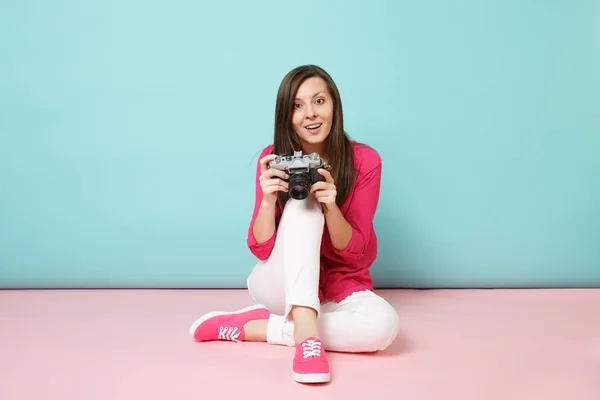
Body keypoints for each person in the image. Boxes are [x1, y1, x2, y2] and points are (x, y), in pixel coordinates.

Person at [188, 65, 400, 384]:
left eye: (319, 101)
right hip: (280, 284)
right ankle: (308, 341)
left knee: (383, 327)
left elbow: (355, 254)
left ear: (334, 106)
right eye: (297, 106)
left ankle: (266, 326)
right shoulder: (274, 158)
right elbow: (261, 248)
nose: (310, 114)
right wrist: (268, 200)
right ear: (286, 117)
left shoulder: (365, 161)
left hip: (342, 285)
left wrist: (330, 205)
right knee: (303, 205)